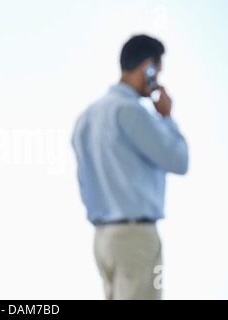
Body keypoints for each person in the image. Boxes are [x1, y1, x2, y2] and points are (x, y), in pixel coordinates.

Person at [71, 34, 189, 300]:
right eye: (157, 71)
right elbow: (179, 161)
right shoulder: (131, 111)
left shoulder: (87, 117)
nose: (157, 79)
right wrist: (167, 117)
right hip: (135, 238)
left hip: (103, 239)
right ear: (148, 67)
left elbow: (83, 184)